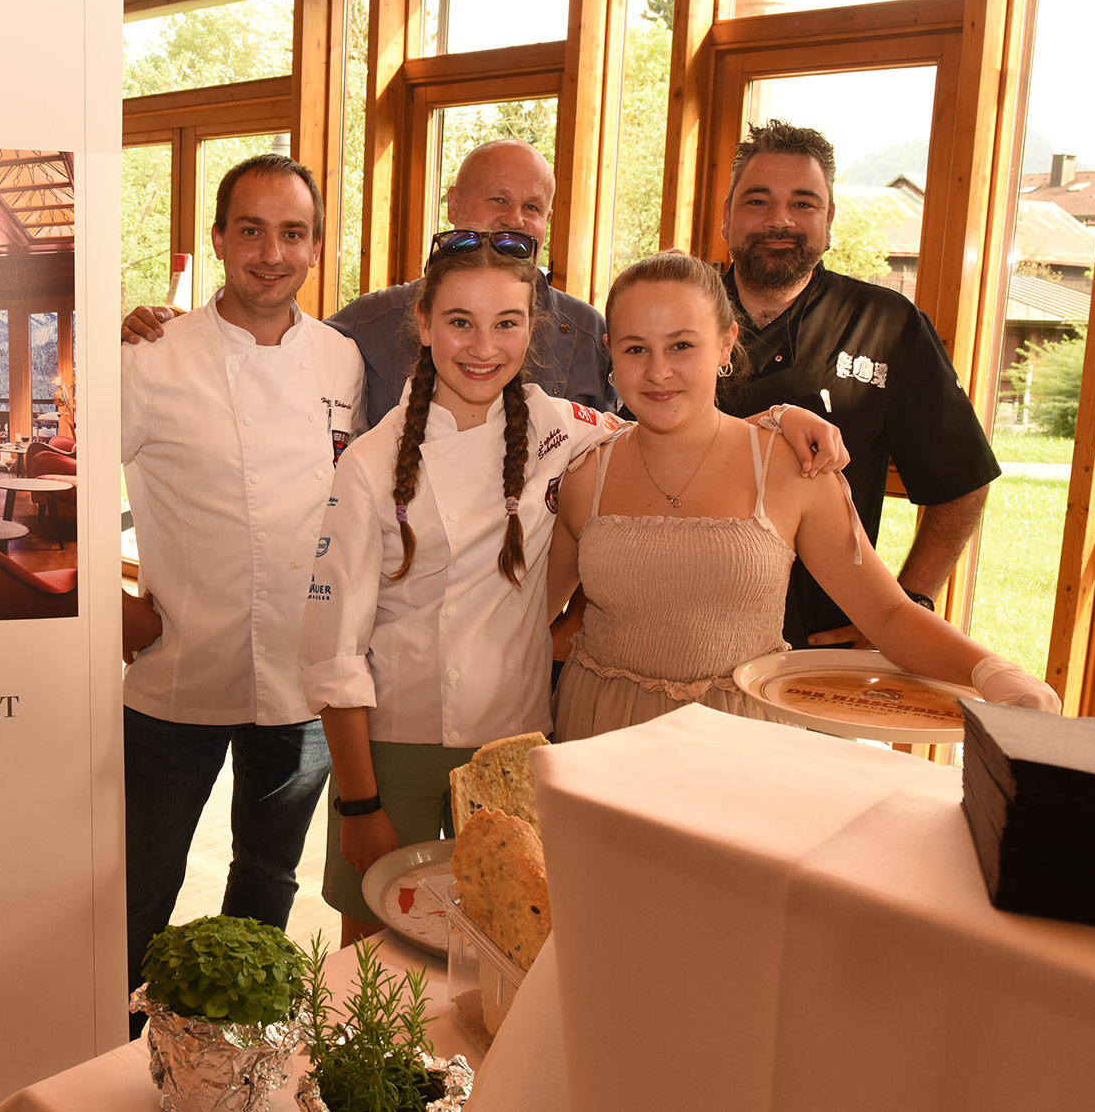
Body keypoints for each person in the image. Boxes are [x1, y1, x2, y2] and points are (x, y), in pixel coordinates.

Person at [300, 237, 844, 944]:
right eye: (460, 321)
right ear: (424, 323)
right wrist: (359, 801)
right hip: (392, 745)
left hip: (517, 737)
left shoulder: (560, 428)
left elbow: (676, 424)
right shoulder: (370, 463)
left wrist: (777, 418)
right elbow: (331, 653)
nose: (483, 347)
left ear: (533, 328)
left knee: (508, 951)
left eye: (508, 323)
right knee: (378, 957)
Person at [549, 251, 1057, 742]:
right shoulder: (585, 474)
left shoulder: (792, 470)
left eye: (682, 345)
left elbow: (887, 615)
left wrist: (993, 672)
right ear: (610, 351)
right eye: (636, 348)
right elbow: (529, 619)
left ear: (727, 345)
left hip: (742, 743)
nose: (659, 371)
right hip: (599, 734)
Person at [117, 154, 363, 1027]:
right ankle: (115, 1046)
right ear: (218, 240)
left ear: (315, 248)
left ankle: (229, 1046)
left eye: (292, 232)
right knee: (142, 884)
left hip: (301, 683)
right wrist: (110, 600)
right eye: (250, 229)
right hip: (176, 670)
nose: (271, 251)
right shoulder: (149, 356)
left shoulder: (342, 360)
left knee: (268, 877)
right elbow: (63, 492)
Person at [714, 120, 1001, 649]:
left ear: (829, 221)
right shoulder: (675, 309)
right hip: (674, 626)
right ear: (727, 215)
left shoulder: (888, 326)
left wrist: (907, 606)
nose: (780, 219)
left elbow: (962, 478)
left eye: (804, 204)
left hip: (817, 646)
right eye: (758, 201)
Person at [123, 139, 615, 420]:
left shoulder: (588, 335)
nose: (515, 219)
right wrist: (185, 329)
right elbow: (265, 353)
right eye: (498, 200)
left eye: (533, 208)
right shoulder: (368, 326)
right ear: (454, 205)